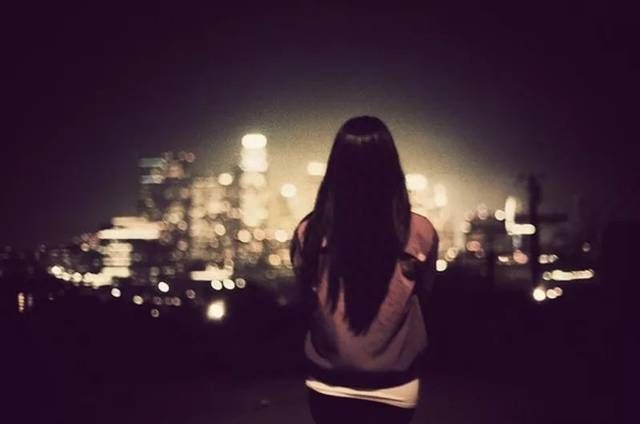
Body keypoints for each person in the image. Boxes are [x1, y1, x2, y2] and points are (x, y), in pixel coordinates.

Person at [290, 116, 439, 424]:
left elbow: (304, 298)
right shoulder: (418, 232)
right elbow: (425, 295)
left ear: (335, 168)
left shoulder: (310, 232)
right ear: (391, 167)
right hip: (395, 386)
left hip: (327, 383)